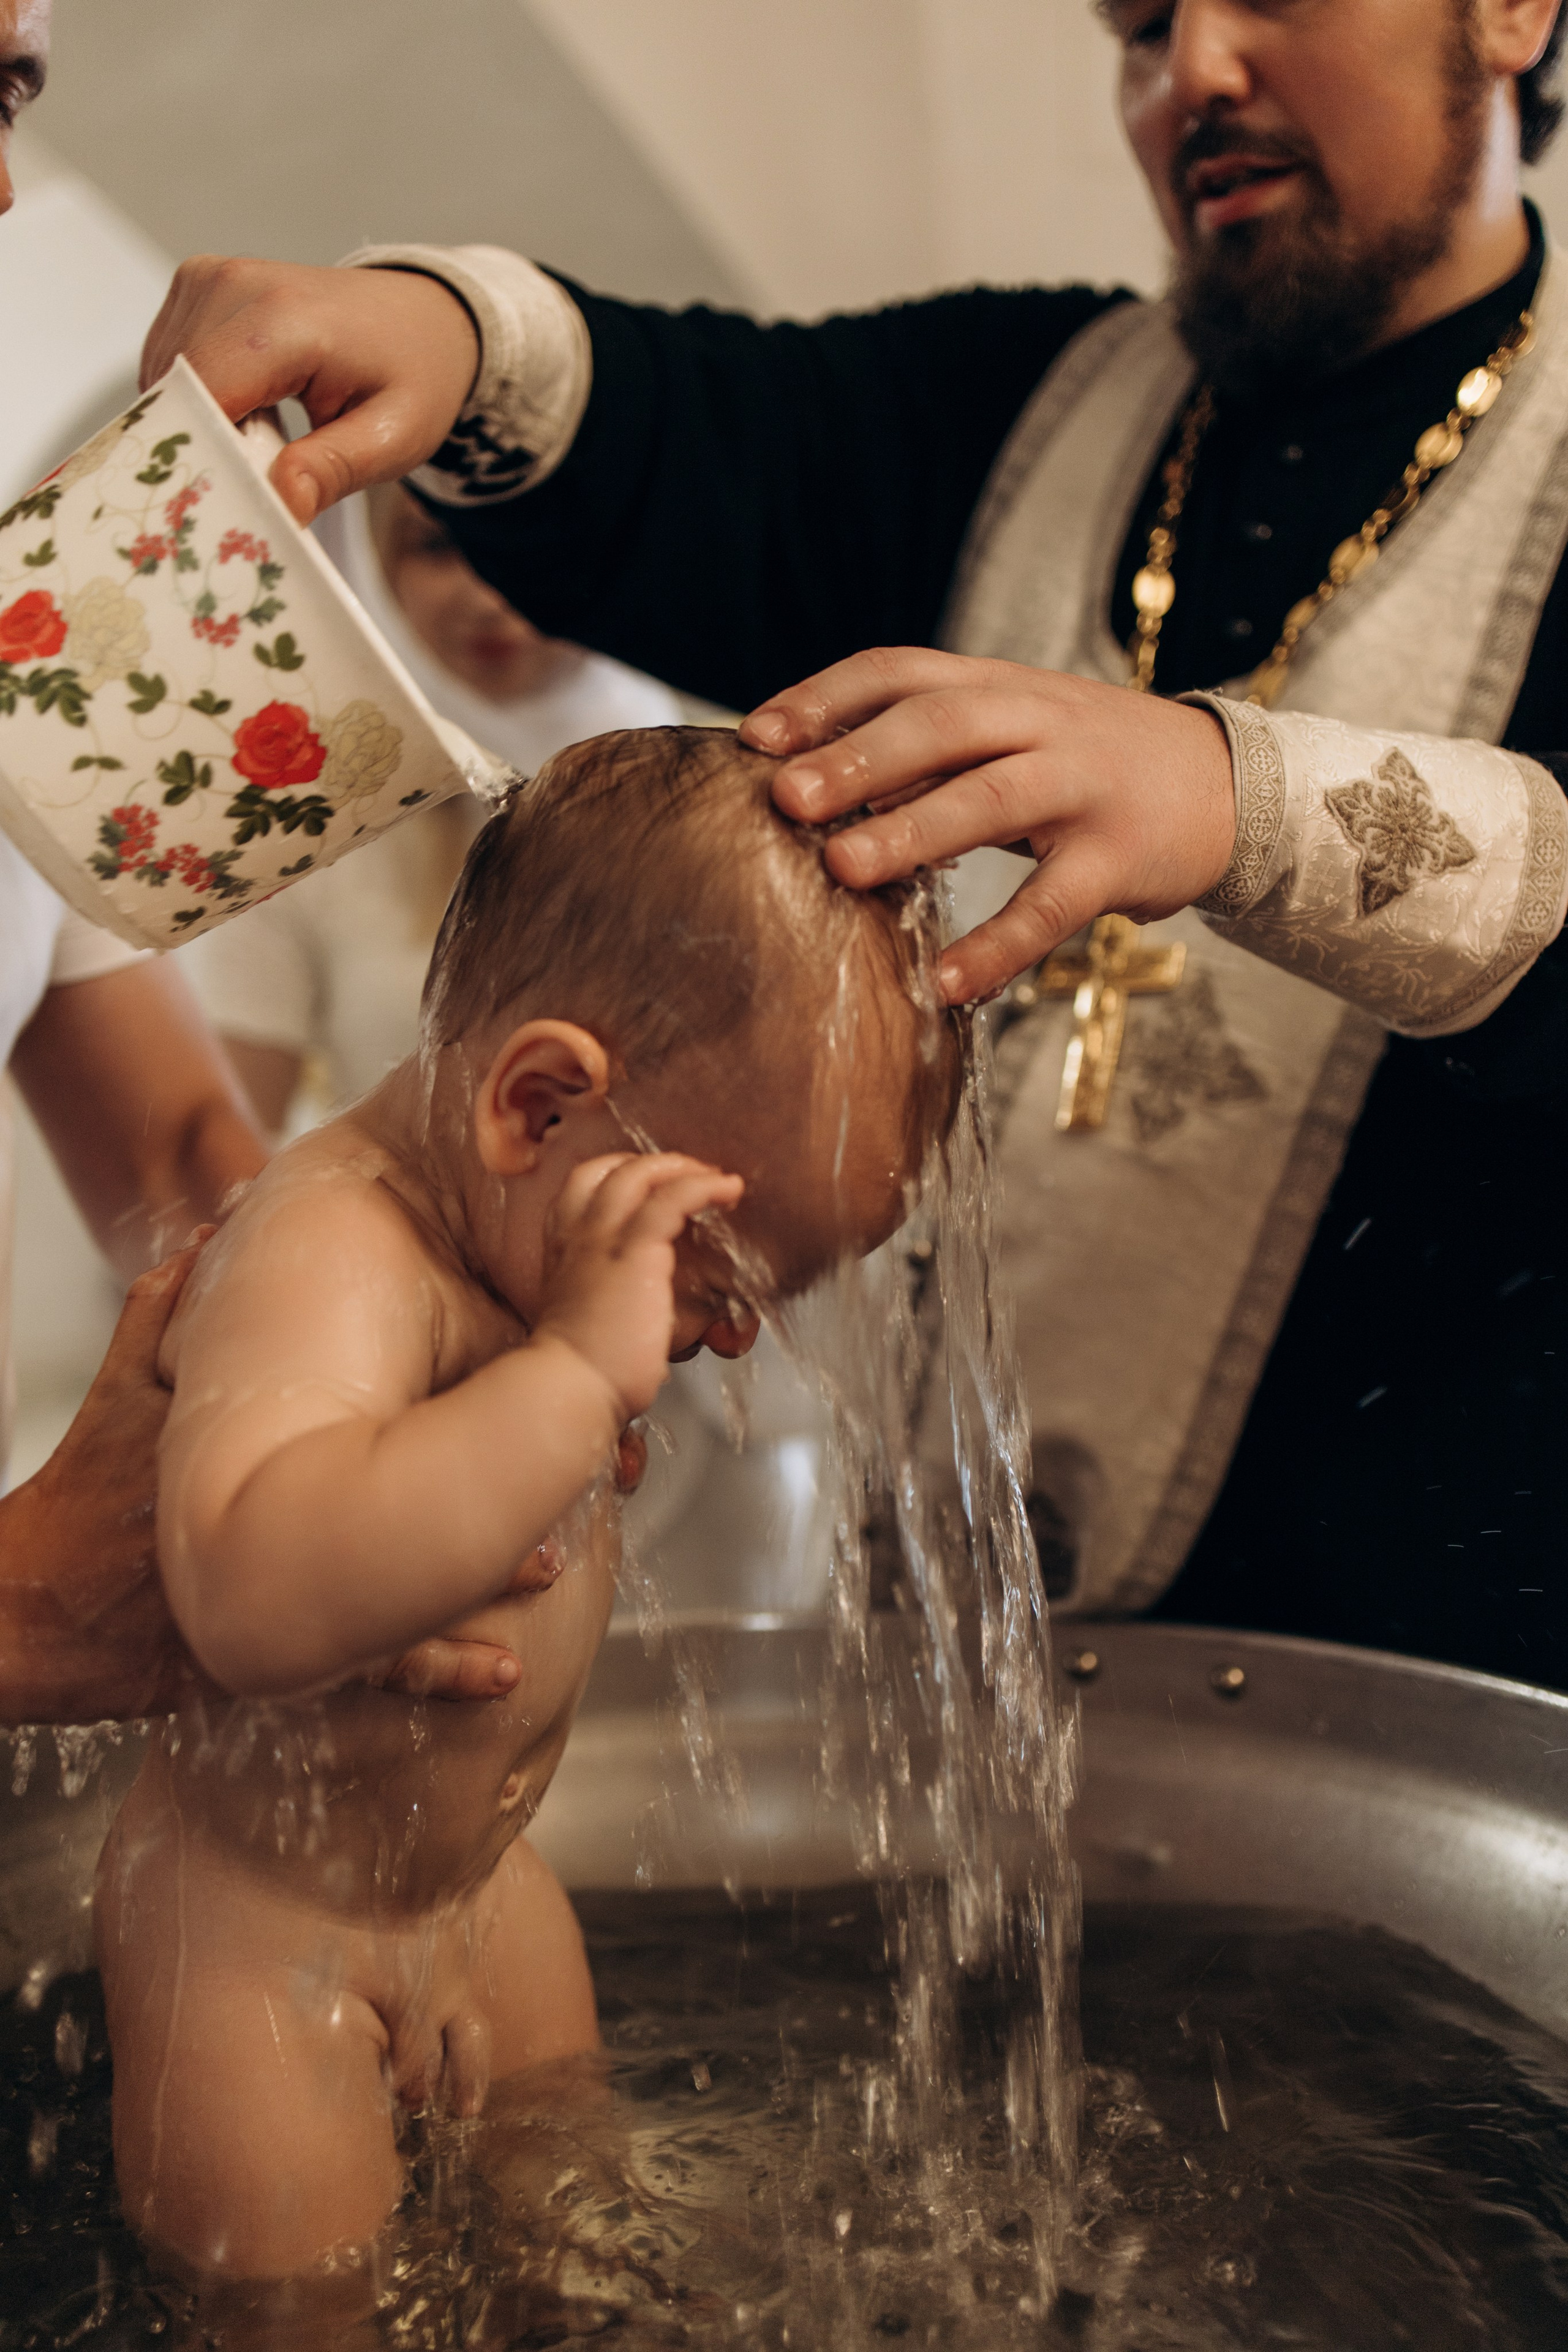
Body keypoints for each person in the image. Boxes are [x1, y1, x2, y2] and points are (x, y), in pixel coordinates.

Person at [144, 0, 1568, 1687]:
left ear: (1512, 11)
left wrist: (1230, 798)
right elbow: (697, 425)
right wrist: (441, 324)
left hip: (1446, 1686)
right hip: (947, 1664)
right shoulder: (1031, 409)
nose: (1188, 68)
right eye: (1136, 21)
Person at [95, 726, 959, 2278]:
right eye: (713, 1271)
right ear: (538, 1104)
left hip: (482, 1886)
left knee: (583, 2256)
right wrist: (564, 1374)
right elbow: (246, 1586)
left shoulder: (507, 1236)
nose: (722, 1330)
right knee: (306, 2308)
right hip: (257, 1940)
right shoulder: (329, 1247)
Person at [181, 482, 685, 1133]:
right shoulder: (311, 811)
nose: (486, 596)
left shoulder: (700, 798)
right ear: (377, 557)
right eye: (438, 546)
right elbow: (221, 1130)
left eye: (533, 541)